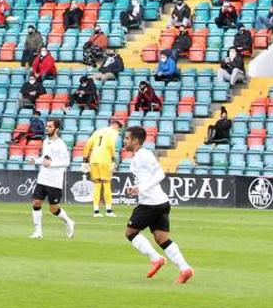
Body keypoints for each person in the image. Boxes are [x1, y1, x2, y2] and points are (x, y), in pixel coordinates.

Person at [120, 126, 193, 283]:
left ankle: (156, 259)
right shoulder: (138, 156)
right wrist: (137, 188)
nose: (124, 141)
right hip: (160, 202)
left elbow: (160, 174)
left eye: (127, 138)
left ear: (136, 141)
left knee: (130, 233)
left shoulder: (144, 155)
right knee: (162, 239)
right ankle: (185, 269)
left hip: (150, 204)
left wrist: (140, 188)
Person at [82, 118, 121, 217]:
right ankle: (108, 211)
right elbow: (111, 146)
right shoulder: (113, 132)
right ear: (115, 125)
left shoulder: (98, 131)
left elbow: (87, 145)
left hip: (94, 159)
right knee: (107, 183)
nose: (118, 129)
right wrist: (113, 159)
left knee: (97, 185)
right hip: (105, 159)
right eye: (119, 127)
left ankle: (96, 211)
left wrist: (85, 160)